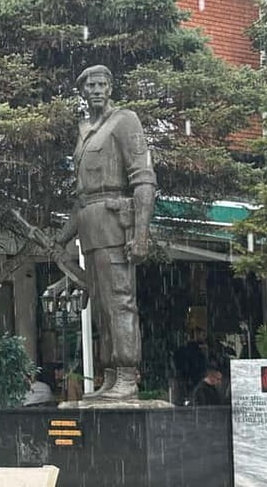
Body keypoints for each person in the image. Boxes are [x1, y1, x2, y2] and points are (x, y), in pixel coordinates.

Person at [54, 65, 156, 400]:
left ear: (110, 88)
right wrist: (62, 238)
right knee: (100, 307)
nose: (96, 90)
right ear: (83, 92)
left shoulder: (125, 121)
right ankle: (111, 374)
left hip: (115, 226)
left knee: (120, 302)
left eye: (102, 84)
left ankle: (127, 373)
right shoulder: (84, 131)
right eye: (90, 86)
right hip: (90, 228)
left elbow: (144, 180)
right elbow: (82, 197)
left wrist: (141, 234)